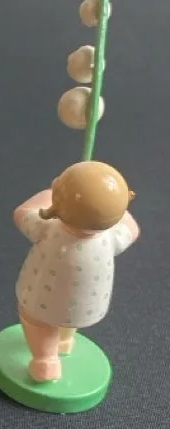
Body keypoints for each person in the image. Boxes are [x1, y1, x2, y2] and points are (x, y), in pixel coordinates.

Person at [13, 160, 139, 382]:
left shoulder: (48, 229)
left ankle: (45, 361)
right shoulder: (111, 238)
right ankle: (64, 342)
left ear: (57, 208)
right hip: (86, 305)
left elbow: (22, 214)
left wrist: (48, 195)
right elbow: (132, 229)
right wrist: (117, 205)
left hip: (42, 298)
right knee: (68, 318)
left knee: (37, 321)